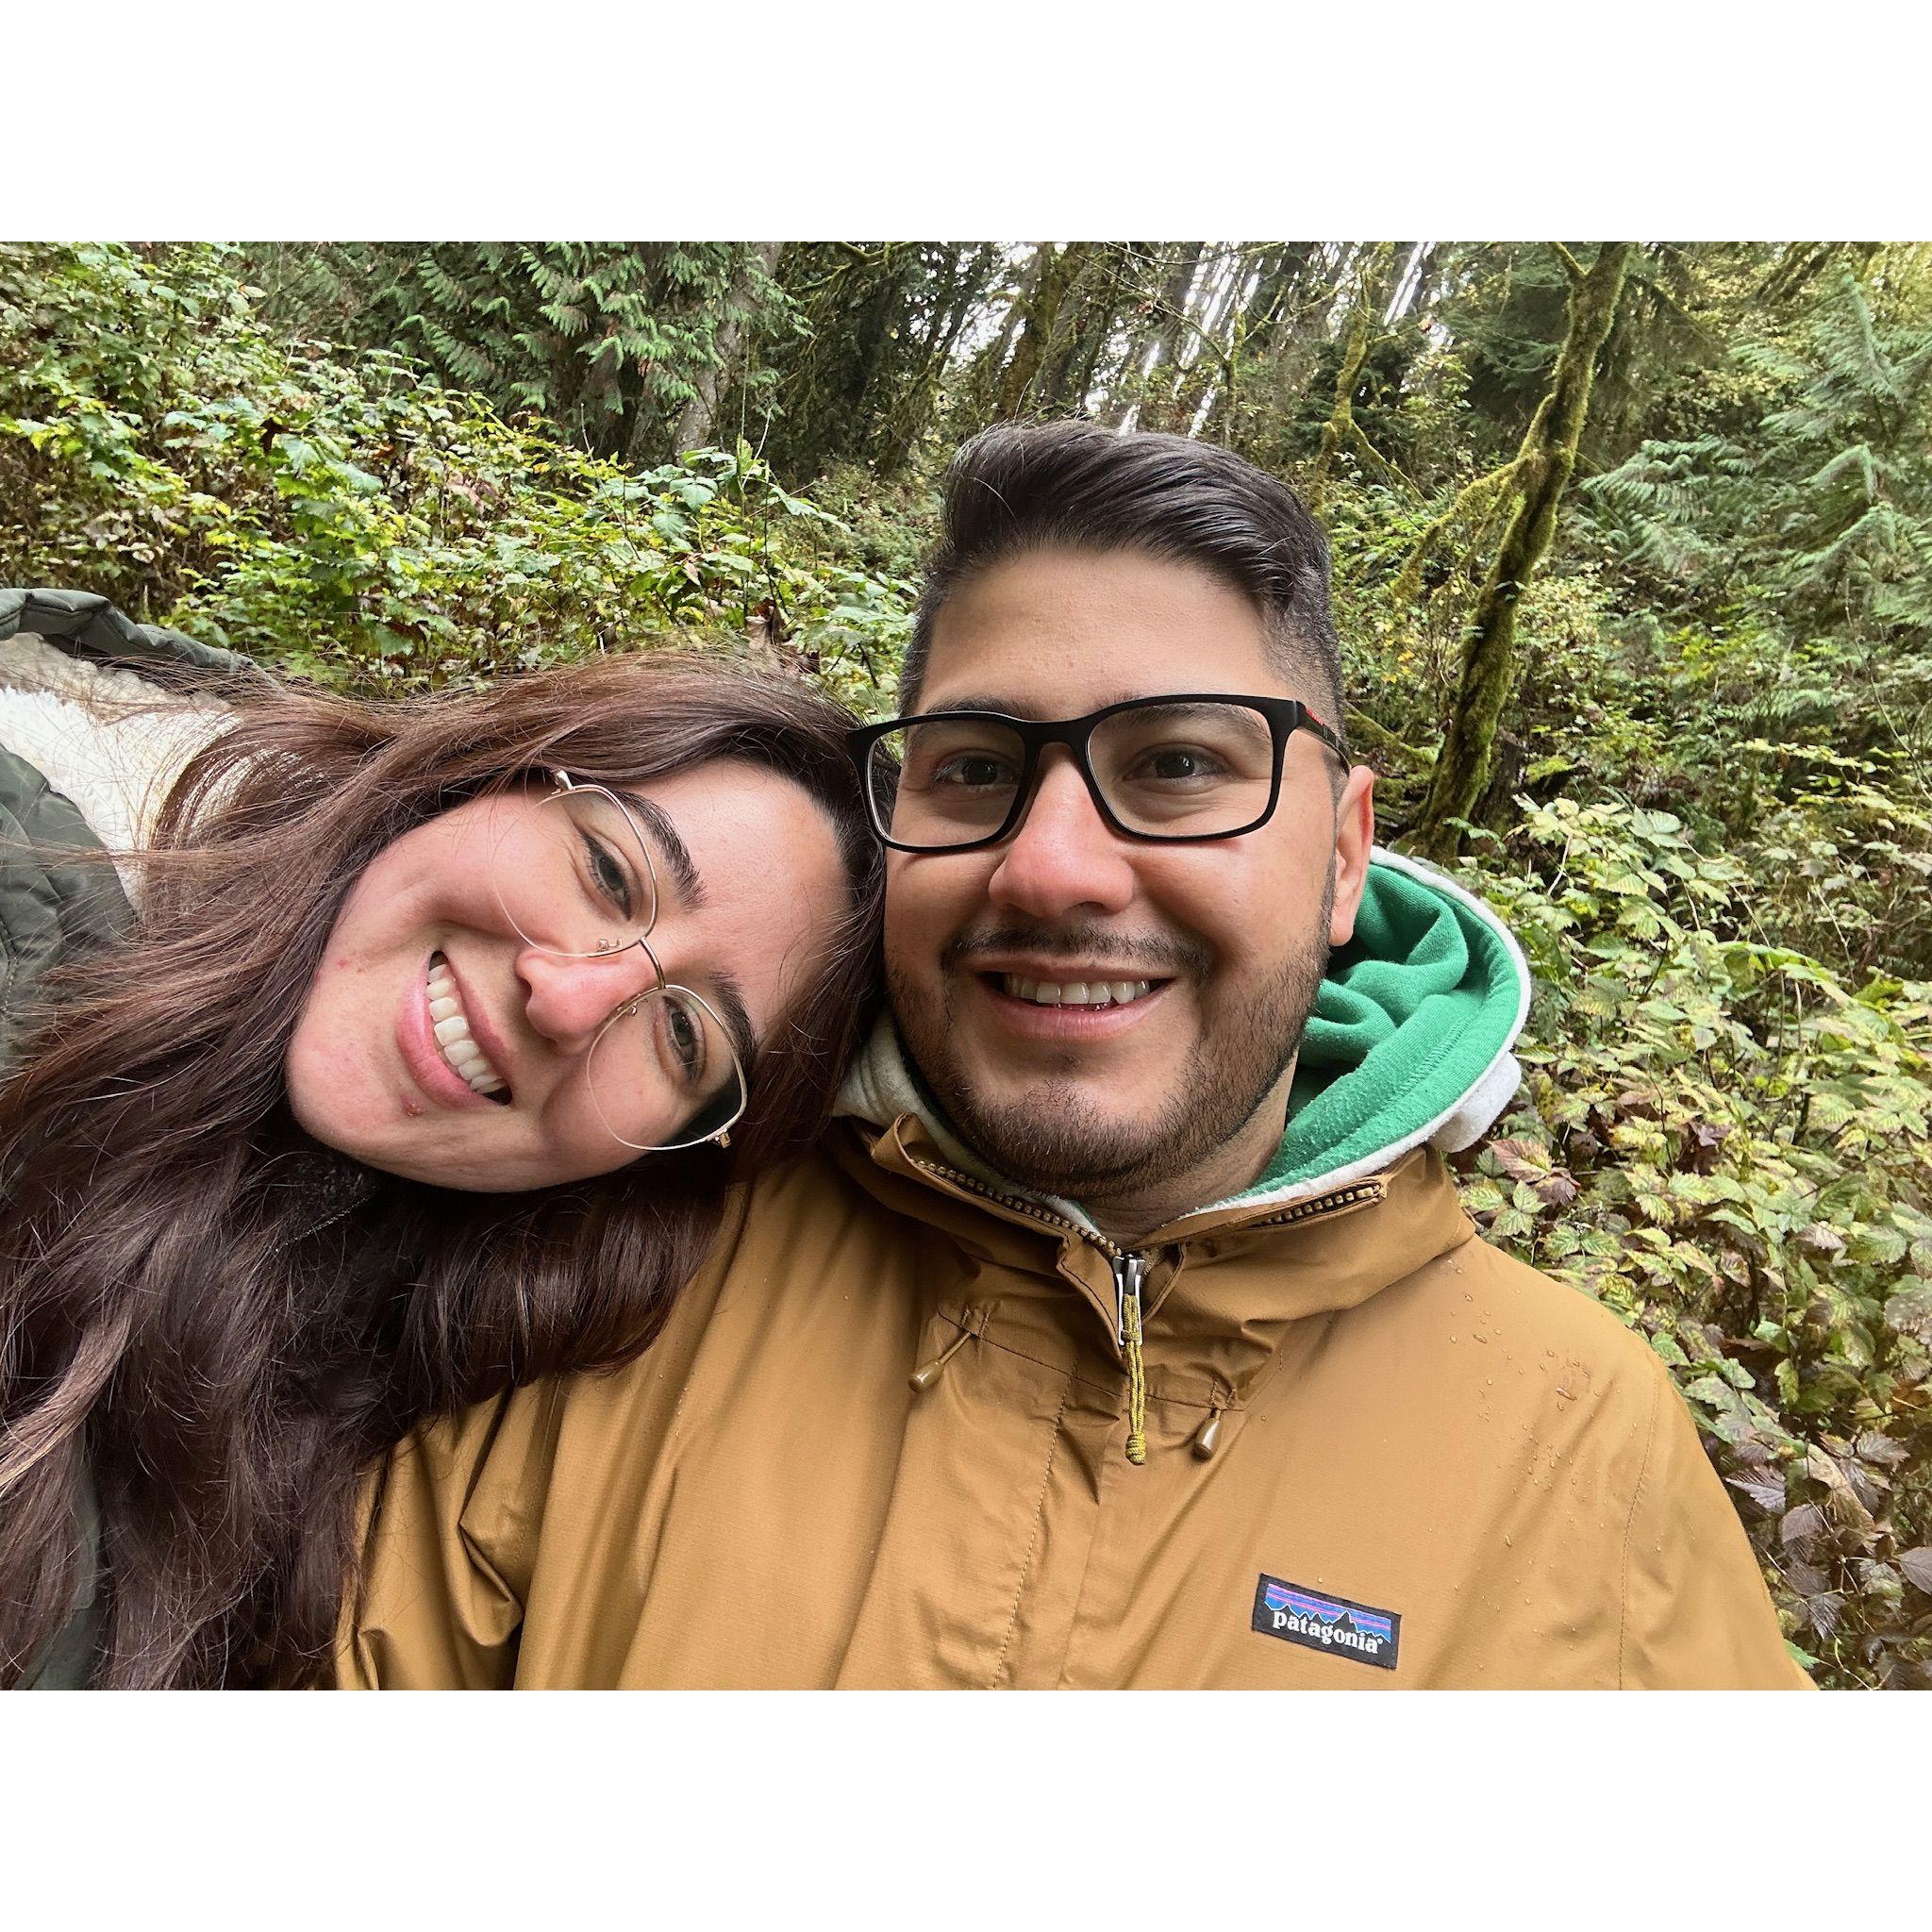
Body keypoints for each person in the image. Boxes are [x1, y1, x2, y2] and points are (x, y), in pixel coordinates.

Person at [339, 424, 1809, 1689]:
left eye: (1177, 766)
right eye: (976, 768)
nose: (1050, 868)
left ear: (1345, 854)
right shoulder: (624, 1261)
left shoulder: (1584, 1454)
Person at [0, 590, 881, 1689]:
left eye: (682, 1034)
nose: (569, 1003)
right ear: (482, 771)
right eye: (610, 873)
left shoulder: (420, 1456)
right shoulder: (27, 900)